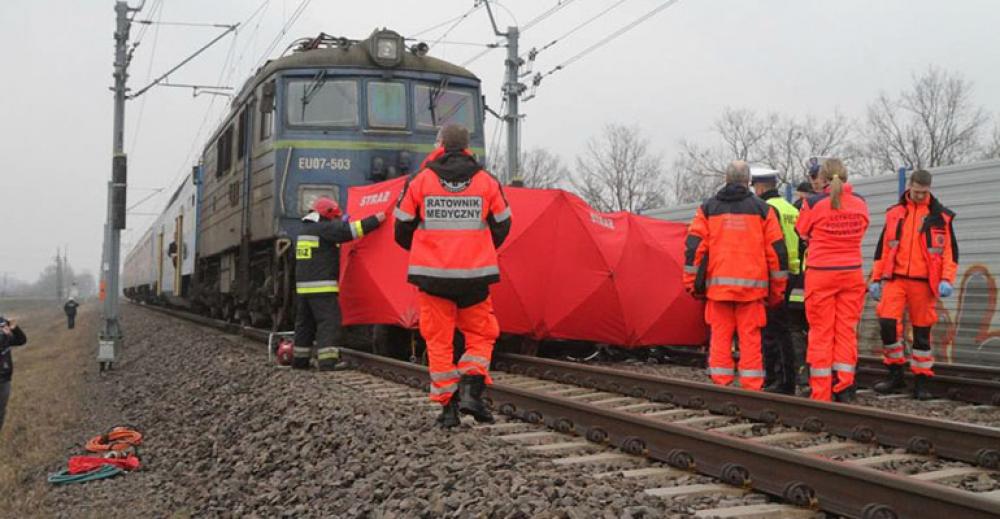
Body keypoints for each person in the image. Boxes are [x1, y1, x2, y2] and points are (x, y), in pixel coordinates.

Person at [394, 123, 512, 427]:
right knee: (481, 334)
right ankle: (473, 390)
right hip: (475, 277)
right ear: (467, 146)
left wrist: (425, 248)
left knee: (439, 340)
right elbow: (503, 223)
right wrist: (480, 247)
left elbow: (401, 228)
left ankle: (448, 410)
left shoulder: (420, 181)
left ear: (441, 145)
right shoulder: (487, 181)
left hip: (432, 278)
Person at [684, 161, 788, 391]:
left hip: (718, 289)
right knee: (750, 339)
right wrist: (777, 290)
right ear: (748, 181)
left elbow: (694, 247)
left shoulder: (708, 209)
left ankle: (721, 386)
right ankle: (751, 388)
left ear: (726, 178)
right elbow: (777, 252)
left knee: (720, 337)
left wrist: (691, 283)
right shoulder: (763, 210)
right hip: (752, 291)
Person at [869, 169, 957, 400]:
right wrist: (875, 279)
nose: (920, 196)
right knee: (887, 323)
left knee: (921, 333)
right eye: (917, 192)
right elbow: (883, 250)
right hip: (896, 279)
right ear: (910, 187)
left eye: (924, 192)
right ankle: (895, 372)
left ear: (929, 189)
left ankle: (921, 380)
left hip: (923, 283)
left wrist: (947, 279)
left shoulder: (940, 217)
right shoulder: (895, 213)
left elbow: (949, 252)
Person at [795, 158, 870, 402]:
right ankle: (845, 387)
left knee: (821, 332)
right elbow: (862, 229)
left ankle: (821, 391)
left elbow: (802, 231)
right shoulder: (860, 203)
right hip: (851, 272)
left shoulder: (813, 203)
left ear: (823, 178)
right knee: (846, 331)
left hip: (821, 273)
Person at [293, 197, 384, 370]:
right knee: (329, 322)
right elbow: (350, 231)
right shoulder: (325, 228)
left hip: (304, 288)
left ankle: (299, 360)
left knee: (305, 323)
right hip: (322, 287)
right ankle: (328, 362)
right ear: (327, 215)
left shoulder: (305, 229)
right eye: (334, 217)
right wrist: (376, 219)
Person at [750, 168, 801, 394]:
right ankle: (788, 378)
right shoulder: (791, 208)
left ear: (760, 187)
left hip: (776, 275)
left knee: (772, 330)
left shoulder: (767, 209)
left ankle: (776, 379)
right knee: (786, 329)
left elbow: (770, 244)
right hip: (795, 271)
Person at [0, 316, 28, 433]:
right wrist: (4, 335)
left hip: (4, 378)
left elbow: (21, 340)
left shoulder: (2, 321)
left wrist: (15, 328)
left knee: (1, 411)